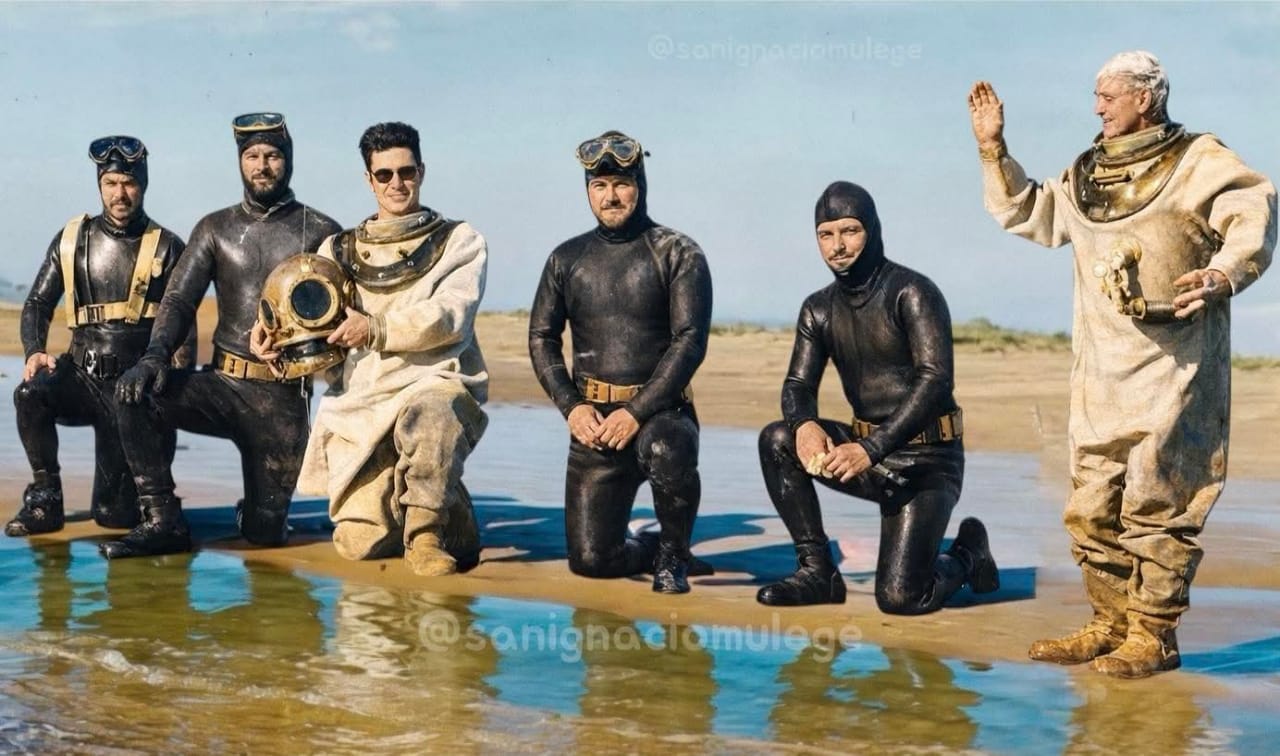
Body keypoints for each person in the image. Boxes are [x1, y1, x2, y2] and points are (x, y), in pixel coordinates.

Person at [968, 50, 1275, 677]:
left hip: (1177, 366)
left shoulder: (1199, 162)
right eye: (1096, 95)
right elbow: (1029, 211)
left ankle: (1154, 636)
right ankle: (1110, 624)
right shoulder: (1084, 173)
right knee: (1090, 505)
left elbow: (1253, 212)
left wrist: (1223, 271)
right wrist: (993, 150)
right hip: (1101, 371)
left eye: (1109, 96)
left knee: (1160, 503)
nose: (1097, 107)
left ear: (1148, 98)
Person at [756, 181, 999, 615]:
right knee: (777, 439)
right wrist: (804, 425)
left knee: (902, 598)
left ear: (872, 229)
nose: (837, 246)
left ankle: (967, 552)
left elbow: (935, 380)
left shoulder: (913, 292)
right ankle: (817, 572)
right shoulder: (818, 308)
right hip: (867, 456)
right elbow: (797, 385)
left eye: (849, 231)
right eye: (825, 235)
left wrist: (871, 448)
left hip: (928, 461)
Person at [109, 113, 341, 559]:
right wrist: (155, 355)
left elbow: (340, 314)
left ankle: (252, 512)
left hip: (282, 401)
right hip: (221, 386)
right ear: (240, 162)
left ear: (288, 161)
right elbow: (178, 300)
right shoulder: (215, 228)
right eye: (251, 156)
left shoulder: (321, 231)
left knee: (265, 536)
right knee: (135, 394)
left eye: (272, 156)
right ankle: (163, 520)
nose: (262, 166)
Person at [262, 121, 488, 577]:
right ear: (369, 179)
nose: (396, 184)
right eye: (384, 175)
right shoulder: (338, 249)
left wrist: (376, 329)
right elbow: (311, 326)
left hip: (432, 380)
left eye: (406, 172)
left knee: (435, 407)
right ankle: (431, 498)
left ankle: (429, 530)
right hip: (361, 401)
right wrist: (276, 344)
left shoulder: (459, 241)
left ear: (421, 171)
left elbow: (451, 315)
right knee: (359, 544)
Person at [528, 131, 713, 594]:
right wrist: (572, 408)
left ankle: (673, 557)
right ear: (588, 190)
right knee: (591, 563)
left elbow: (689, 341)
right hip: (593, 422)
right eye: (599, 185)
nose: (610, 196)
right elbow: (541, 338)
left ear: (640, 184)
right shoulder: (566, 259)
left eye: (622, 183)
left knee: (665, 449)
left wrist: (636, 413)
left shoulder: (677, 252)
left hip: (662, 415)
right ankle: (649, 547)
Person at [8, 136, 192, 537]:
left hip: (132, 391)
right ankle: (44, 501)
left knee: (113, 518)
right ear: (100, 186)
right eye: (111, 183)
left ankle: (148, 499)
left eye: (129, 182)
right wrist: (34, 351)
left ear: (143, 185)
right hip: (80, 376)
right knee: (30, 394)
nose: (120, 193)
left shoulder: (168, 247)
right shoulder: (72, 240)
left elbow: (185, 325)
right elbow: (38, 303)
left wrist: (172, 388)